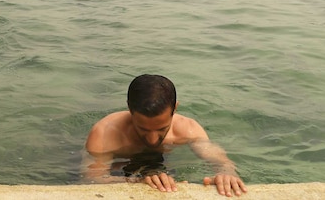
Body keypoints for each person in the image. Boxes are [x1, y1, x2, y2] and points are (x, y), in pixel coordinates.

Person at [84, 74, 247, 197]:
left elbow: (220, 160)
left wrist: (227, 173)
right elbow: (92, 179)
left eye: (162, 129)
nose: (153, 140)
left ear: (174, 108)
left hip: (164, 164)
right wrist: (139, 182)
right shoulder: (105, 133)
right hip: (122, 169)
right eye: (143, 129)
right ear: (129, 108)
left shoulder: (187, 129)